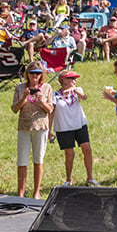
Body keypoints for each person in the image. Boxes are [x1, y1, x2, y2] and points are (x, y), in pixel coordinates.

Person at [12, 62, 53, 199]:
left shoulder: (47, 87)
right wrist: (24, 96)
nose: (34, 76)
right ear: (27, 74)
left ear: (41, 74)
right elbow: (14, 109)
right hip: (24, 127)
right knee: (22, 161)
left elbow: (50, 110)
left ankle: (36, 192)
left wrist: (41, 101)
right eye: (32, 73)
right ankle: (21, 193)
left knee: (38, 159)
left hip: (41, 127)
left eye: (37, 73)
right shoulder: (19, 88)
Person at [49, 70, 96, 186]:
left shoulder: (77, 90)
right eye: (72, 78)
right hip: (63, 128)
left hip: (80, 125)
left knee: (87, 149)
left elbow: (84, 98)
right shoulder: (55, 95)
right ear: (63, 80)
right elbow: (51, 113)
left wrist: (75, 90)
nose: (75, 81)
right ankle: (68, 179)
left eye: (75, 78)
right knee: (69, 154)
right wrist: (49, 131)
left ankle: (90, 177)